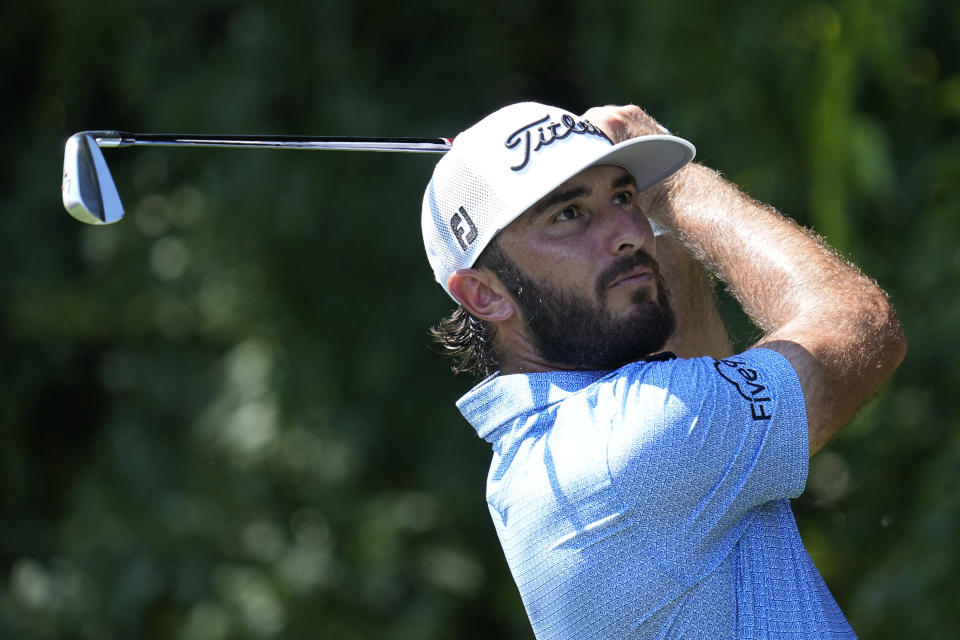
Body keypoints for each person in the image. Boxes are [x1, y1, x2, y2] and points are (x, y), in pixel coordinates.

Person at [420, 101, 906, 639]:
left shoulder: (557, 444)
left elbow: (699, 362)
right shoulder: (626, 444)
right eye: (568, 214)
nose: (630, 231)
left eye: (624, 196)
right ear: (484, 293)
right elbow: (860, 330)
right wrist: (673, 188)